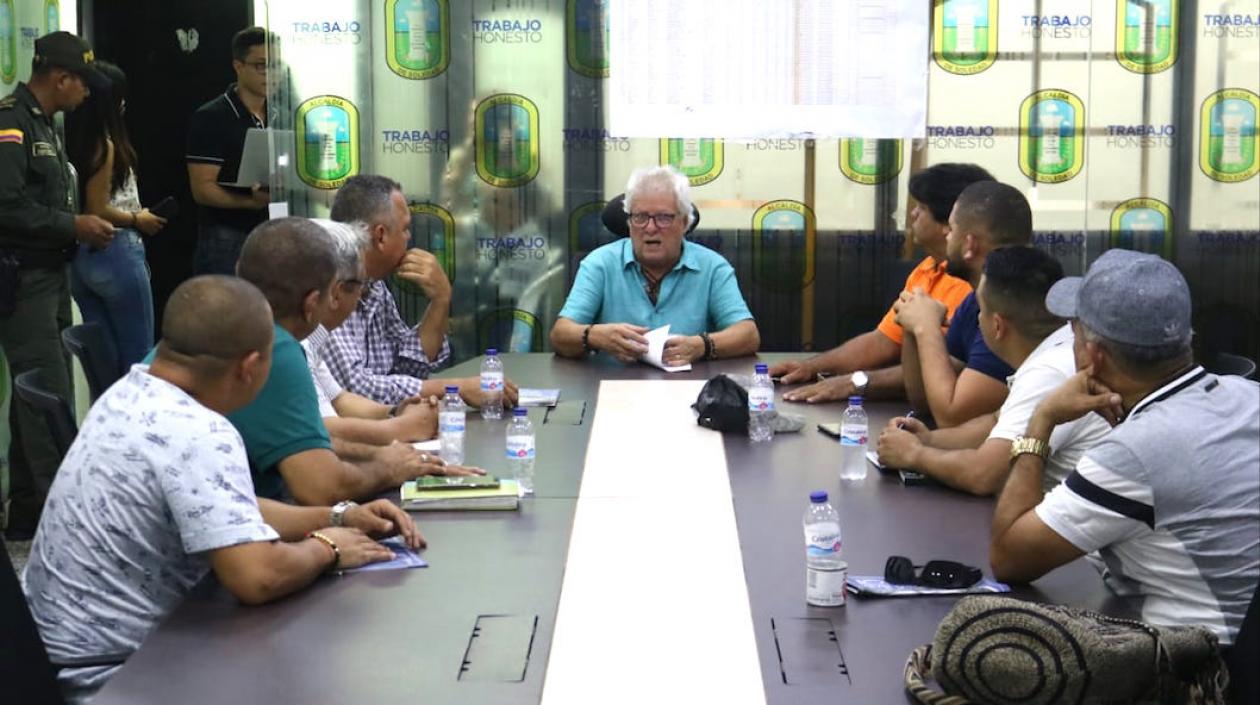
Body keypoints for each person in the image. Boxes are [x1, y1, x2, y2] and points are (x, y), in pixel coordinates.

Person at [21, 275, 422, 704]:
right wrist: (330, 548)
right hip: (114, 675)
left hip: (53, 659)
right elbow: (258, 576)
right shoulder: (199, 430)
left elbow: (228, 509)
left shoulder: (131, 392)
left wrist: (337, 516)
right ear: (250, 368)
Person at [990, 249, 1259, 646]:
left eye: (1073, 330)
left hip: (1201, 668)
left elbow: (1009, 558)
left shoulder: (1132, 453)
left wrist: (1042, 420)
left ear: (1093, 356)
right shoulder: (1248, 394)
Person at [222, 217, 464, 505]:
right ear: (324, 298)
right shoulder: (275, 347)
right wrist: (392, 461)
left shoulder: (225, 321)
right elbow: (320, 486)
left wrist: (396, 417)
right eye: (358, 289)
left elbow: (322, 423)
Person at [875, 246, 1110, 495]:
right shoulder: (1059, 345)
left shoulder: (1049, 372)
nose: (977, 320)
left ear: (997, 326)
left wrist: (914, 454)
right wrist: (929, 440)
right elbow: (995, 422)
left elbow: (983, 475)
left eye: (981, 311)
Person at [0, 31, 114, 540]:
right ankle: (58, 527)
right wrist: (75, 225)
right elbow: (7, 206)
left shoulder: (44, 124)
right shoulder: (11, 123)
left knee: (37, 396)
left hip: (49, 276)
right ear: (62, 78)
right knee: (45, 395)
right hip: (23, 280)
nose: (86, 94)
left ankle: (27, 516)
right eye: (82, 83)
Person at [776, 163, 992, 403]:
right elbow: (884, 341)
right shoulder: (928, 268)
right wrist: (810, 367)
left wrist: (856, 382)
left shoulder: (972, 283)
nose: (912, 214)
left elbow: (948, 368)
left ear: (949, 223)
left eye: (921, 207)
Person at [325, 174, 518, 406]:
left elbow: (410, 365)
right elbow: (356, 389)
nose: (409, 237)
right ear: (380, 236)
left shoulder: (374, 286)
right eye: (405, 229)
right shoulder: (329, 285)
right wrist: (457, 389)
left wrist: (441, 298)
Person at [550, 165, 759, 365]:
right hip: (613, 387)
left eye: (663, 218)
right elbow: (560, 335)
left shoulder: (712, 266)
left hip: (688, 387)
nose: (650, 228)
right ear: (629, 223)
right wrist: (593, 335)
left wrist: (701, 345)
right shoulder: (600, 263)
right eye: (640, 217)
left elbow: (748, 335)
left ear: (684, 222)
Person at [893, 180, 1032, 428]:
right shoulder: (974, 300)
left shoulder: (1012, 309)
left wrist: (926, 328)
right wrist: (911, 324)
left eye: (952, 228)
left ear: (970, 245)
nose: (946, 234)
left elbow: (951, 416)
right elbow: (924, 399)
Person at [65, 60, 166, 374]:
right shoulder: (104, 145)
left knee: (103, 359)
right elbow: (97, 209)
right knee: (138, 357)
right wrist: (139, 220)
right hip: (116, 248)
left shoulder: (67, 139)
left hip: (78, 255)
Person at [305, 218, 442, 448]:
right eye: (361, 285)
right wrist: (402, 428)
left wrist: (397, 411)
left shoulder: (310, 340)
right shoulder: (285, 346)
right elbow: (322, 432)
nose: (363, 294)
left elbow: (340, 400)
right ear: (337, 293)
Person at [185, 26, 270, 275]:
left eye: (275, 65)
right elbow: (203, 189)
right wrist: (249, 203)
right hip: (227, 237)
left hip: (275, 234)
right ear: (238, 66)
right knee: (228, 311)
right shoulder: (212, 117)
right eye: (261, 65)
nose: (270, 74)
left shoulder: (283, 114)